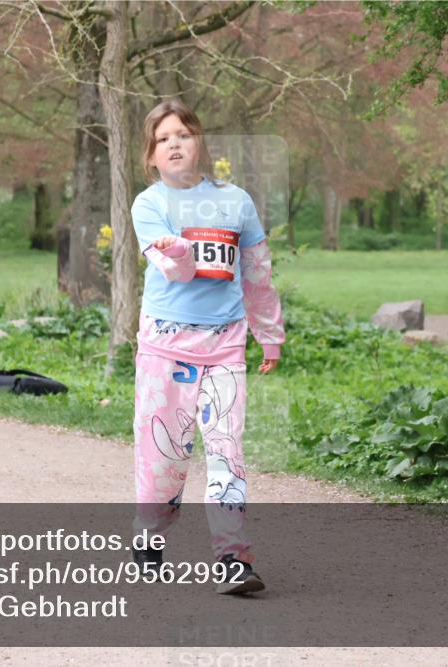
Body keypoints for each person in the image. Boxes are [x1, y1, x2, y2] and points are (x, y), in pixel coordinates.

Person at [130, 100, 285, 594]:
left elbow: (256, 272)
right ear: (151, 155)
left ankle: (232, 560)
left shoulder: (235, 200)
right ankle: (149, 539)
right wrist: (175, 252)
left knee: (226, 451)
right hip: (165, 347)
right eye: (163, 138)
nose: (174, 143)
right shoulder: (149, 205)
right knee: (165, 456)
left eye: (183, 133)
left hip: (225, 345)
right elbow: (173, 270)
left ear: (199, 143)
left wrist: (271, 333)